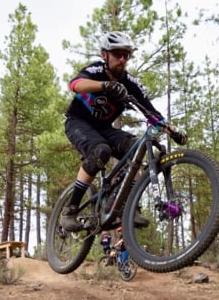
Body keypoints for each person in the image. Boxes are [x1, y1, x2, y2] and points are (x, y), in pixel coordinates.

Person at [60, 31, 165, 232]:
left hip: (104, 128)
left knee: (138, 147)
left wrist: (170, 128)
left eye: (127, 55)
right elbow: (75, 85)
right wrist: (104, 85)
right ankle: (70, 210)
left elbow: (151, 111)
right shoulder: (96, 70)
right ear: (104, 55)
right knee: (101, 151)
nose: (123, 59)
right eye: (117, 53)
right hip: (78, 122)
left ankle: (127, 204)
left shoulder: (130, 83)